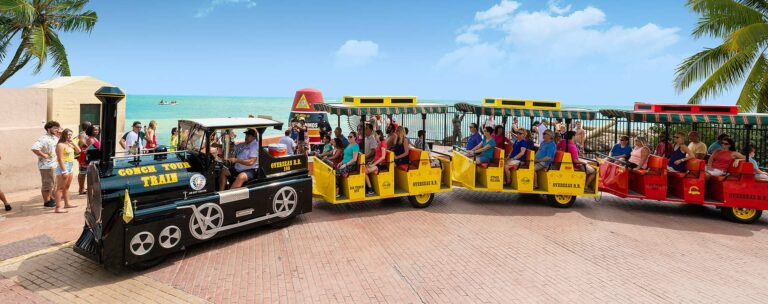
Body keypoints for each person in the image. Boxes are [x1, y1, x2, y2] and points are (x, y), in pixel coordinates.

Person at [31, 121, 60, 208]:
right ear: (48, 129)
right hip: (46, 166)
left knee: (54, 184)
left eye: (57, 128)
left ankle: (51, 198)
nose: (56, 129)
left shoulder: (54, 137)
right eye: (54, 128)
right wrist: (44, 155)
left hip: (55, 164)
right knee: (47, 184)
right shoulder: (43, 138)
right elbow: (34, 148)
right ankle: (46, 201)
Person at [54, 129, 80, 213]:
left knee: (67, 187)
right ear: (64, 135)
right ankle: (58, 207)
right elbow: (60, 159)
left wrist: (73, 143)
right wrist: (64, 171)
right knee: (60, 188)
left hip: (70, 166)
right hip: (63, 166)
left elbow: (79, 151)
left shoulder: (69, 144)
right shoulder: (60, 145)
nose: (69, 136)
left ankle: (67, 203)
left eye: (70, 135)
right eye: (68, 134)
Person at [335, 132, 360, 198]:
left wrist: (345, 164)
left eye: (351, 137)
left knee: (336, 173)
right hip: (345, 164)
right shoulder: (349, 145)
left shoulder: (355, 146)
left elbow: (354, 159)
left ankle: (337, 191)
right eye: (348, 136)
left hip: (351, 165)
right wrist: (341, 162)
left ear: (355, 137)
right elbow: (346, 157)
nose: (349, 138)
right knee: (333, 170)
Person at [365, 130, 388, 195]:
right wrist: (371, 162)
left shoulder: (383, 143)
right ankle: (368, 187)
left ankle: (370, 189)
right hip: (376, 163)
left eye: (375, 135)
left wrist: (373, 164)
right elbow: (377, 156)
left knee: (364, 171)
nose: (374, 136)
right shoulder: (379, 143)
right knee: (363, 168)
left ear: (379, 135)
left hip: (381, 164)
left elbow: (383, 157)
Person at [76, 121, 92, 195]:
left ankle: (84, 188)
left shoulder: (88, 134)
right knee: (82, 173)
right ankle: (81, 189)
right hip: (83, 156)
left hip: (87, 156)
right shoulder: (82, 134)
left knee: (87, 172)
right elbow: (82, 143)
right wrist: (91, 146)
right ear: (88, 127)